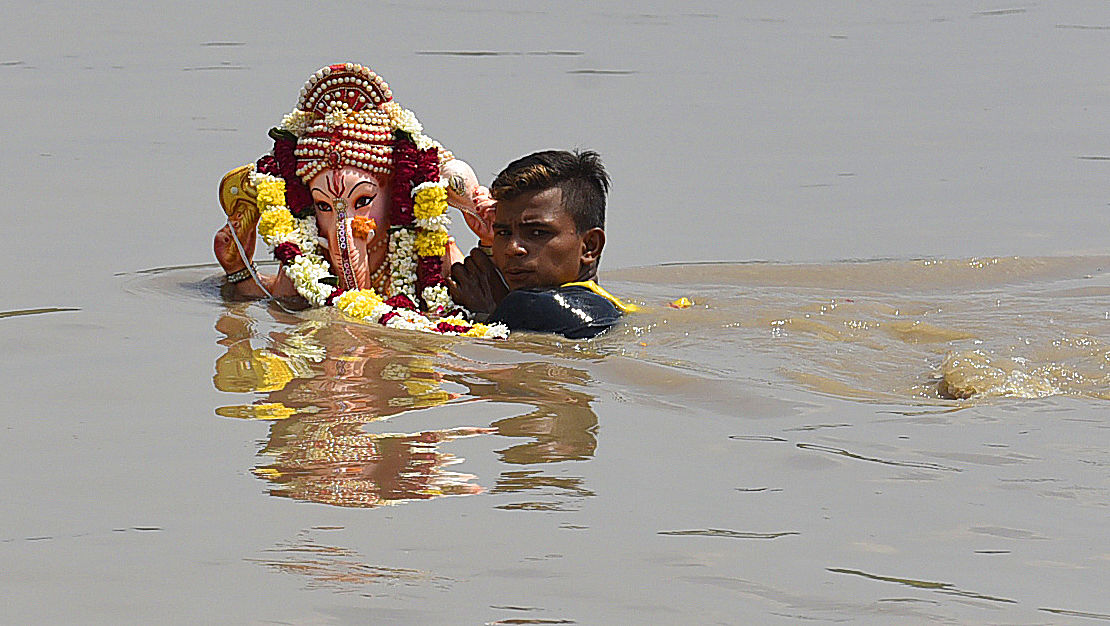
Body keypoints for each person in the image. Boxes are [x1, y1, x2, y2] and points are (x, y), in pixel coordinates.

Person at [213, 63, 506, 338]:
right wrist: (238, 270)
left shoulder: (427, 250)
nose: (344, 222)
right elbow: (279, 303)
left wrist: (492, 242)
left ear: (395, 192)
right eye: (324, 206)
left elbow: (481, 310)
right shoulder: (309, 254)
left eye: (363, 200)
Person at [447, 150, 636, 339]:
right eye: (503, 233)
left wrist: (482, 315)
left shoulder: (530, 307)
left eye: (537, 233)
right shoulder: (608, 307)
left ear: (589, 246)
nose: (512, 248)